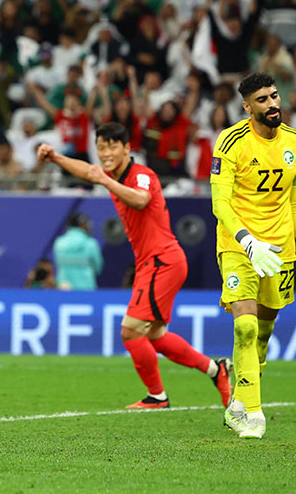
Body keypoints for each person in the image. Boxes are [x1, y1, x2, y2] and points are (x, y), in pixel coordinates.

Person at [38, 123, 232, 411]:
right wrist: (56, 157)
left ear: (127, 148)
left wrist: (105, 181)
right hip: (153, 263)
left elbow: (141, 200)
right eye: (101, 146)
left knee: (131, 331)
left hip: (162, 261)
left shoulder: (141, 175)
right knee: (153, 335)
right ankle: (216, 370)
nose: (106, 152)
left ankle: (157, 397)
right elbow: (88, 172)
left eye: (112, 145)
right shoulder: (114, 175)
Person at [210, 72, 296, 439]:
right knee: (244, 325)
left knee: (263, 332)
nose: (272, 104)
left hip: (281, 250)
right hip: (239, 246)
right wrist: (247, 240)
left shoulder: (295, 142)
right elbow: (220, 203)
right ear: (247, 107)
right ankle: (253, 414)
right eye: (262, 100)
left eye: (274, 96)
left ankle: (239, 402)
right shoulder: (230, 141)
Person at [51, 213, 103, 291]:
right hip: (86, 288)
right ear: (82, 225)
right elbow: (98, 267)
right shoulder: (91, 243)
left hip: (63, 287)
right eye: (87, 223)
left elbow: (57, 264)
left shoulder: (59, 242)